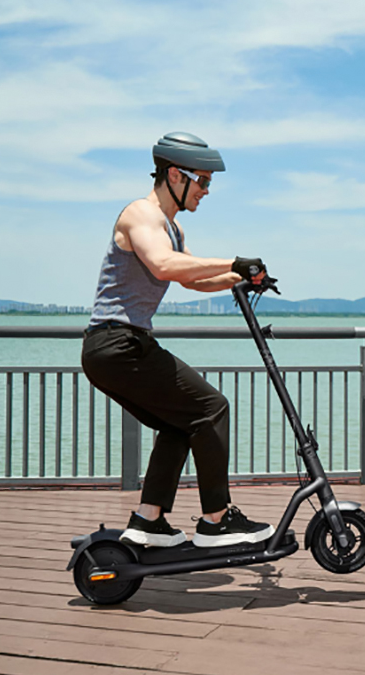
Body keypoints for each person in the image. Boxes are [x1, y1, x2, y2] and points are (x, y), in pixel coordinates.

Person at [81, 131, 273, 548]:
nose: (206, 191)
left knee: (179, 423)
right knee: (211, 408)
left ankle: (148, 520)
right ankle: (216, 520)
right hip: (117, 344)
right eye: (202, 181)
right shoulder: (140, 214)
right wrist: (233, 260)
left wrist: (241, 279)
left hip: (120, 347)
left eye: (208, 183)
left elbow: (189, 278)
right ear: (175, 175)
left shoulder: (173, 228)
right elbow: (165, 265)